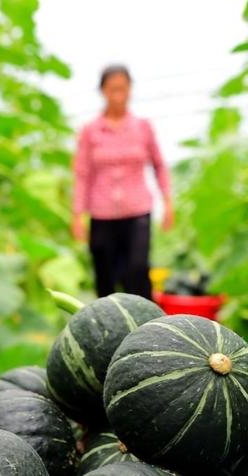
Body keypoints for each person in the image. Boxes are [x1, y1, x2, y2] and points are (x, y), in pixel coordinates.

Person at [71, 64, 173, 300]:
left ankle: (146, 331)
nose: (118, 94)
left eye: (122, 88)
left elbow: (159, 165)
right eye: (112, 89)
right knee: (105, 278)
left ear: (130, 90)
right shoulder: (90, 131)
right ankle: (109, 334)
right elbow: (82, 174)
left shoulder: (142, 127)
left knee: (137, 271)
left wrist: (167, 201)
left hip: (137, 212)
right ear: (103, 91)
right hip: (102, 215)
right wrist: (77, 215)